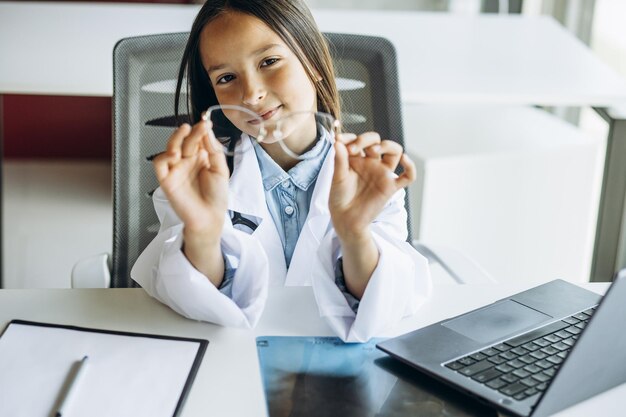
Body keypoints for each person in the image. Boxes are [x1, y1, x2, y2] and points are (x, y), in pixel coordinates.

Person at [131, 0, 431, 342]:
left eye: (269, 61)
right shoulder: (200, 181)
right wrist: (203, 234)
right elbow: (184, 293)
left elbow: (388, 300)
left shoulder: (368, 178)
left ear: (313, 61)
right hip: (233, 359)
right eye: (226, 77)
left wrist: (355, 235)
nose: (252, 94)